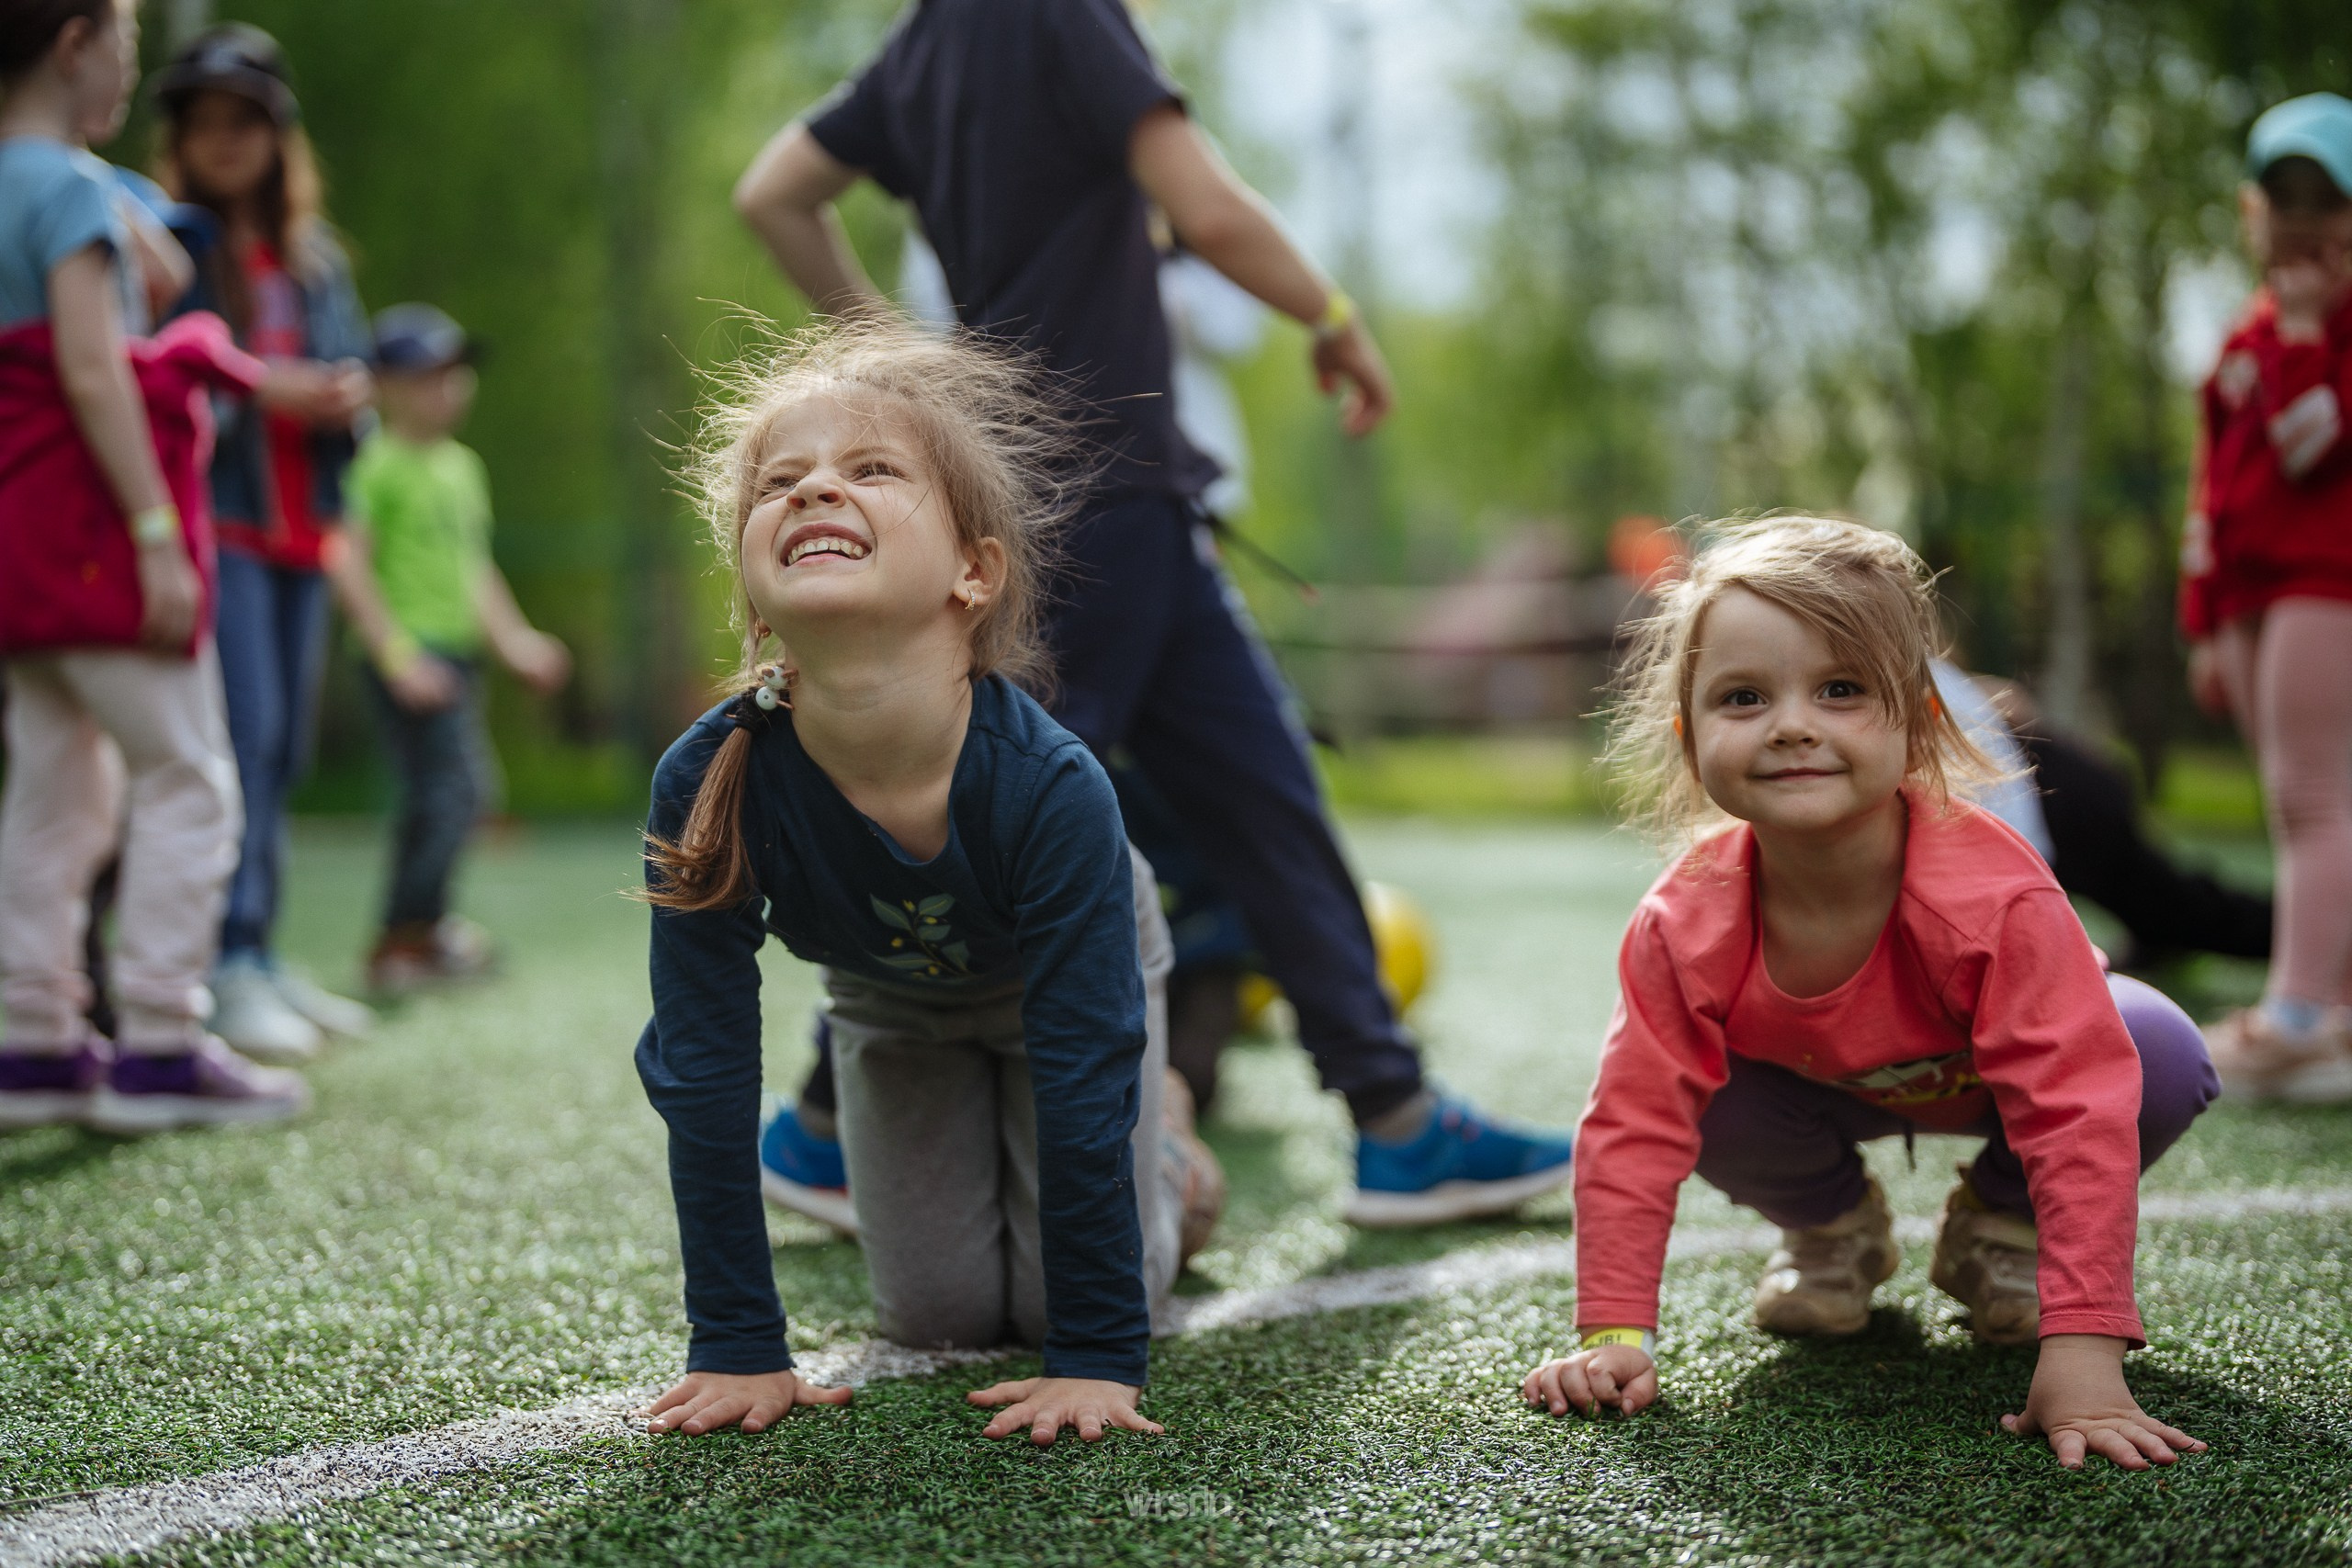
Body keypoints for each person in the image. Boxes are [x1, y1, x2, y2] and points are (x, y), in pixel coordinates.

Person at [732, 0, 1575, 1229]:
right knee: (987, 806)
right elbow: (1210, 205)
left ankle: (1395, 1119)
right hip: (1091, 508)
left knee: (1266, 794)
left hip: (1133, 501)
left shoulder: (923, 45)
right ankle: (821, 1130)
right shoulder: (1062, 14)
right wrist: (1332, 319)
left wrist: (897, 351)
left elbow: (773, 193)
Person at [1522, 519, 2216, 1473]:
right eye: (1742, 697)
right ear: (1689, 741)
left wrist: (2084, 1353)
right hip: (1811, 1092)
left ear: (1920, 721)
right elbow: (1631, 1126)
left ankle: (2000, 1230)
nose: (1792, 722)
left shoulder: (1992, 899)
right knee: (1687, 1082)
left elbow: (2076, 1105)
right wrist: (1610, 1337)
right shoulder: (1681, 925)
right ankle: (1831, 1227)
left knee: (2156, 1050)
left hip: (1996, 1086)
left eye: (1840, 689)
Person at [635, 316, 1222, 1444]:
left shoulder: (1050, 790)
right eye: (780, 481)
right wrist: (738, 1346)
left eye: (869, 470)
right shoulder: (708, 780)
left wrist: (1097, 1358)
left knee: (1064, 1299)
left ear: (972, 570)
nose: (813, 492)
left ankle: (1177, 1158)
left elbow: (1083, 1057)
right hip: (890, 1002)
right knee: (941, 1313)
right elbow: (700, 1065)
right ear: (754, 594)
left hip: (1070, 990)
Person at [0, 0, 303, 1131]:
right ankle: (164, 1041)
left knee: (50, 787)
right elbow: (92, 369)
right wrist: (156, 532)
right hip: (94, 537)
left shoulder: (64, 191)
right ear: (77, 40)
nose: (128, 72)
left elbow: (138, 271)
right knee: (187, 776)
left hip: (17, 547)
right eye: (124, 45)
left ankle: (35, 1044)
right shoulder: (73, 195)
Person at [153, 23, 378, 1063]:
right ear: (182, 139)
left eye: (243, 121)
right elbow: (157, 373)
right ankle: (223, 960)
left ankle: (261, 952)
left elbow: (351, 384)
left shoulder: (312, 257)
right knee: (238, 742)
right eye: (203, 123)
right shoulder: (170, 243)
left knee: (280, 747)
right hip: (221, 528)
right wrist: (261, 391)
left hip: (302, 537)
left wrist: (343, 400)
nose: (225, 139)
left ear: (276, 134)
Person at [2179, 93, 2352, 1101]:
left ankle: (2292, 1013)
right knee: (2298, 795)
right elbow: (2215, 486)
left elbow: (2308, 444)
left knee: (2312, 799)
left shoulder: (2313, 327)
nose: (2298, 215)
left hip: (2322, 582)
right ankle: (2329, 1003)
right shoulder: (2247, 331)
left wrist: (2298, 330)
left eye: (2322, 196)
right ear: (2251, 208)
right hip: (2250, 595)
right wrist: (2203, 620)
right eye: (2280, 193)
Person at [327, 304, 570, 996]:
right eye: (429, 374)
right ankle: (405, 937)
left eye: (456, 373)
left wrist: (515, 640)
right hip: (411, 657)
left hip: (457, 656)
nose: (450, 387)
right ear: (386, 384)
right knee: (450, 794)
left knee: (454, 796)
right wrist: (396, 654)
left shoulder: (461, 468)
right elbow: (346, 561)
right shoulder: (373, 464)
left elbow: (474, 570)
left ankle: (420, 931)